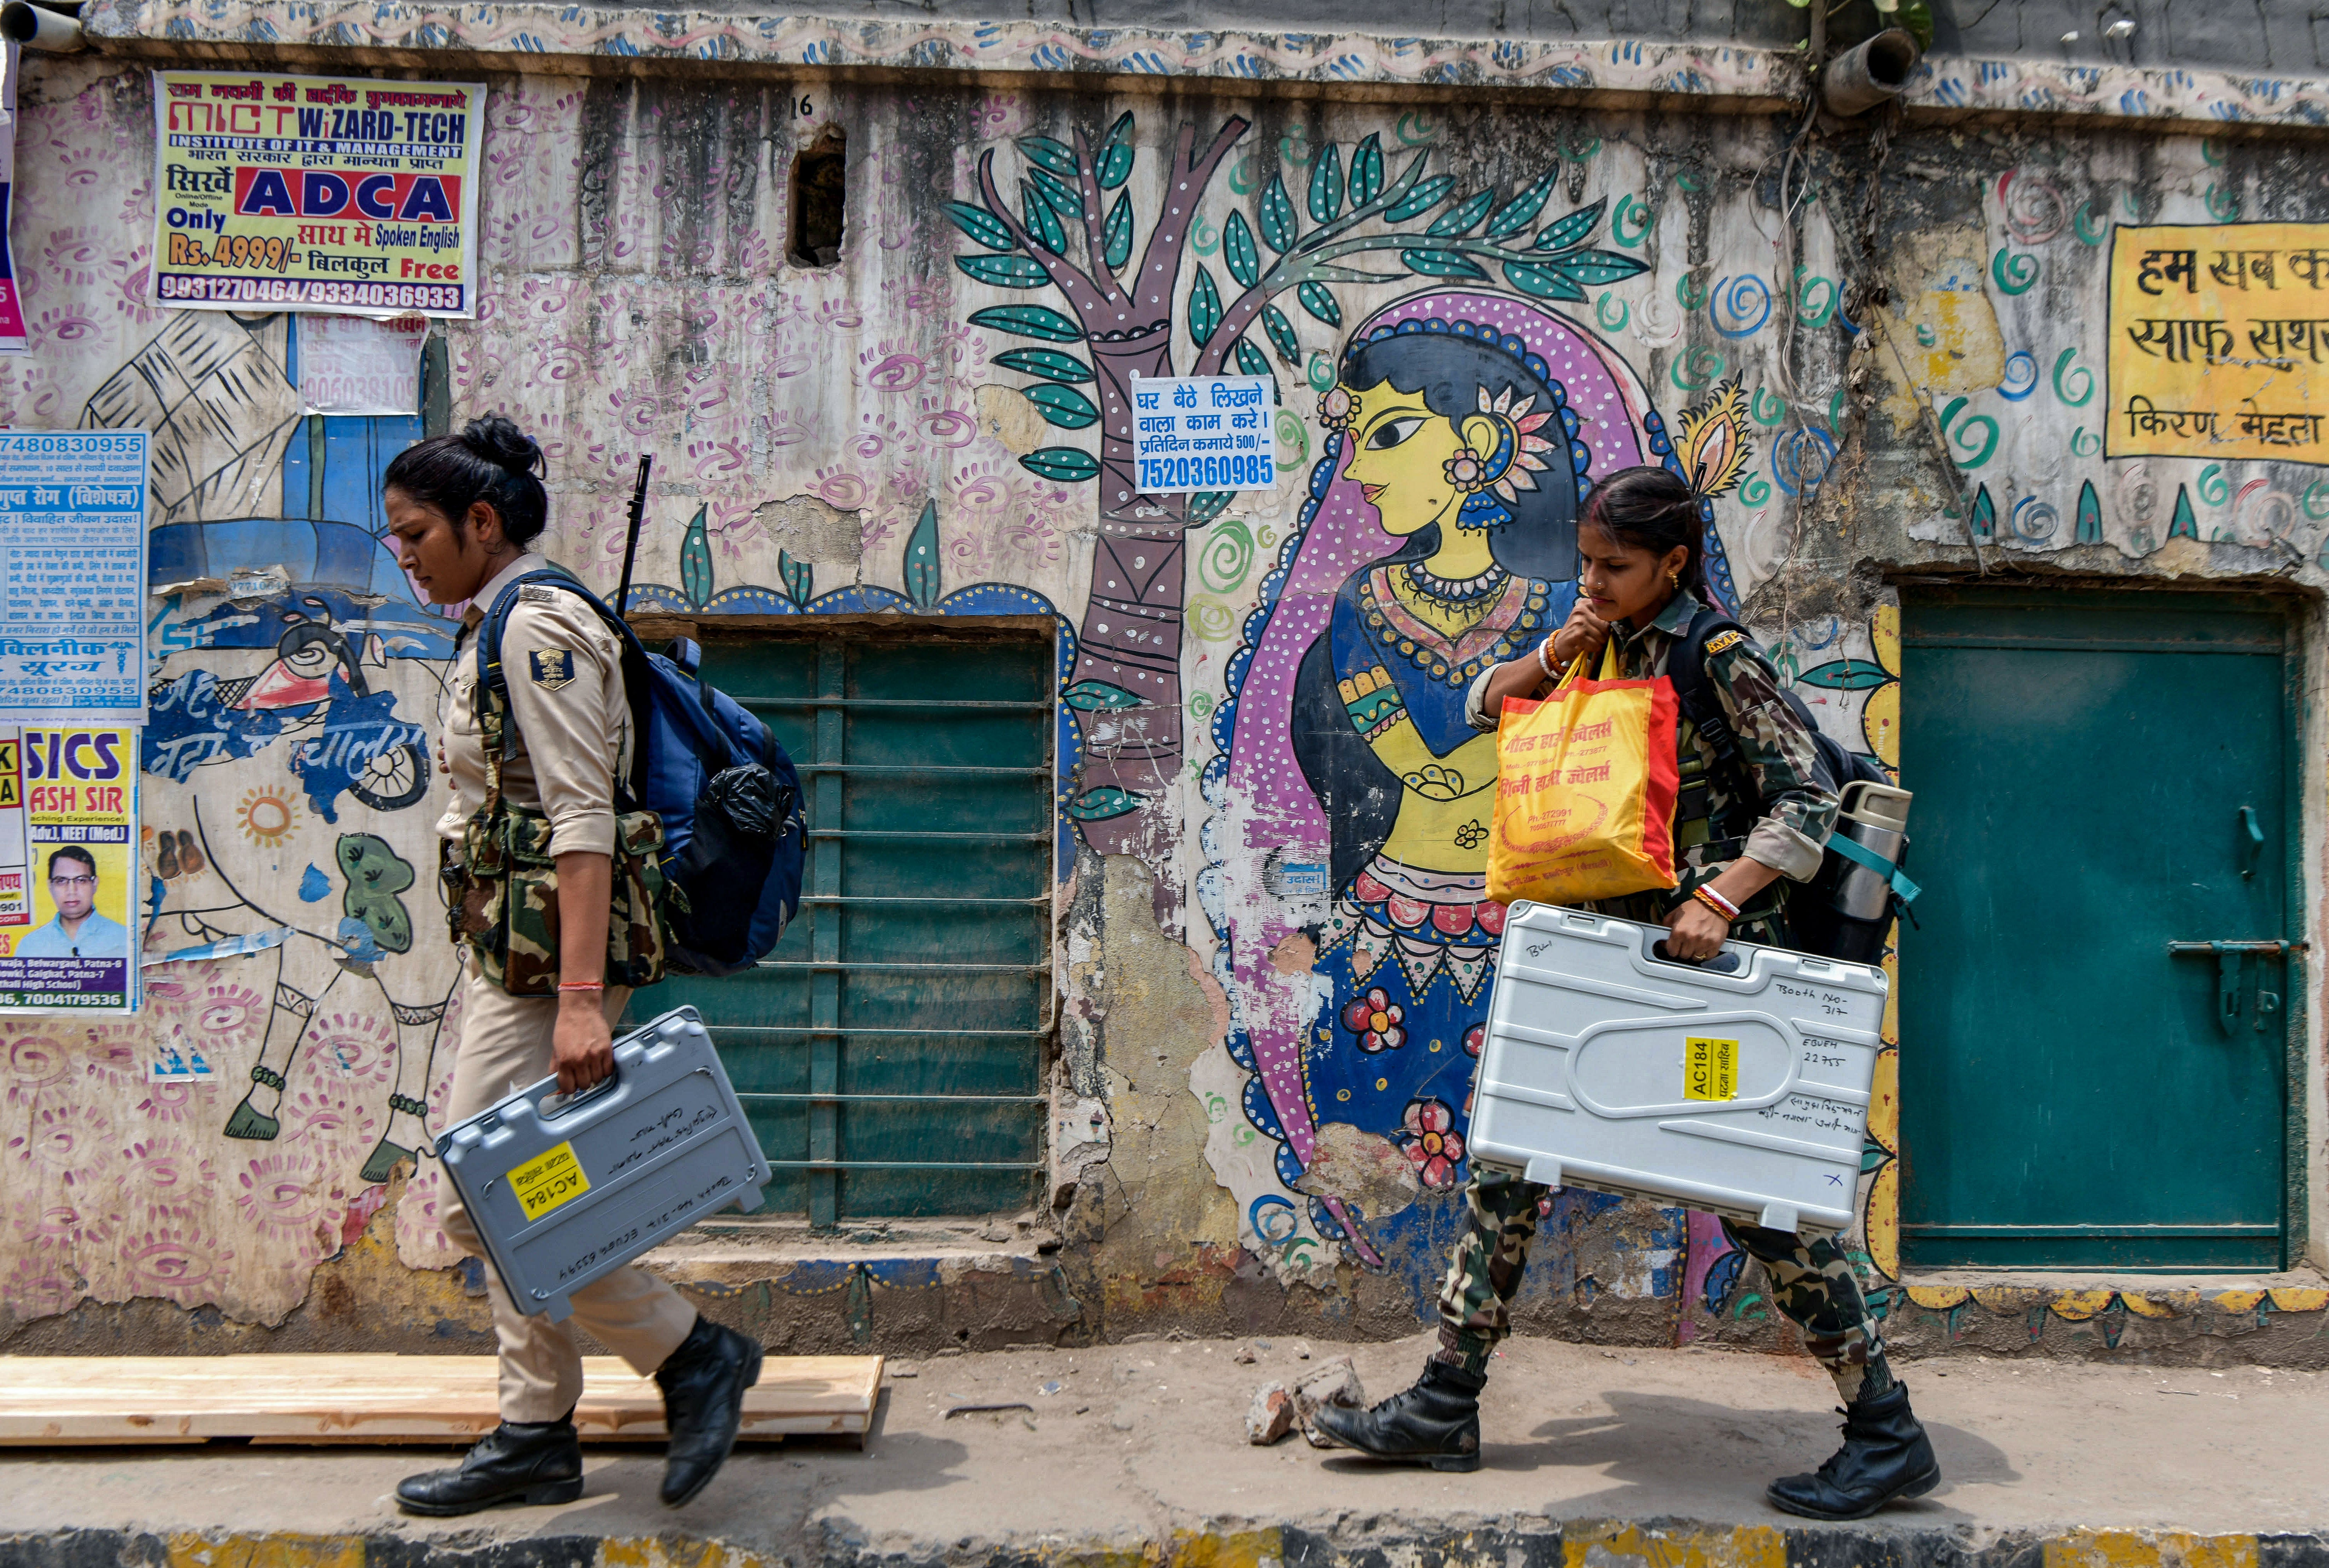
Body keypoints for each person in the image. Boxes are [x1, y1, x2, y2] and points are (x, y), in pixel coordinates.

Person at [1313, 465, 1940, 1523]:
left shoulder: (1718, 656)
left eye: (1615, 566)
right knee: (1511, 1164)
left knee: (1762, 1199)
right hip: (1610, 963)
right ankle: (1445, 1403)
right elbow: (1482, 710)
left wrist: (1726, 897)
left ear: (1674, 565)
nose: (1593, 581)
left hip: (1711, 972)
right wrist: (1557, 646)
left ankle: (1887, 1431)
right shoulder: (1597, 644)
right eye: (1587, 564)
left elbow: (1811, 798)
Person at [384, 416, 763, 1517]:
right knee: (531, 1189)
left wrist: (583, 1003)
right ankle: (535, 1430)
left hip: (554, 973)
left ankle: (692, 1354)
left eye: (416, 533)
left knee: (482, 1199)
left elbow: (584, 820)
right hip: (521, 957)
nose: (404, 553)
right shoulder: (499, 617)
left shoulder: (535, 628)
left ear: (482, 521)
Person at [16, 847, 126, 957]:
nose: (72, 891)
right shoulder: (30, 946)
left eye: (81, 880)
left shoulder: (124, 938)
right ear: (50, 886)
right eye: (62, 881)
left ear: (95, 884)